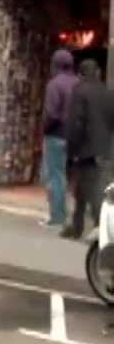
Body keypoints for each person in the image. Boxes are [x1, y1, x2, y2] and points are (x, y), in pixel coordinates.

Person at [63, 58, 113, 239]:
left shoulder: (79, 91)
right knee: (85, 189)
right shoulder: (107, 92)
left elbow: (76, 123)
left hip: (86, 149)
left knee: (91, 190)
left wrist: (71, 150)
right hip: (104, 148)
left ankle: (99, 228)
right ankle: (76, 226)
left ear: (81, 74)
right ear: (97, 72)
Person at [43, 48, 80, 228]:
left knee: (54, 175)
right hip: (75, 138)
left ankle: (57, 217)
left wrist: (44, 130)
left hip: (56, 135)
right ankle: (72, 216)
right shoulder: (79, 84)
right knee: (68, 175)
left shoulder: (54, 85)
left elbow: (52, 114)